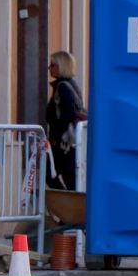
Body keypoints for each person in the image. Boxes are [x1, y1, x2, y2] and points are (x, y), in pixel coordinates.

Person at [45, 50, 87, 190]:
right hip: (70, 142)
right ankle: (67, 200)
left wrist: (58, 129)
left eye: (52, 65)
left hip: (63, 143)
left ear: (61, 66)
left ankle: (67, 201)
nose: (49, 68)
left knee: (51, 174)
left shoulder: (62, 87)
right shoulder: (72, 85)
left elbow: (69, 113)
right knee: (68, 179)